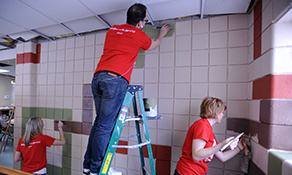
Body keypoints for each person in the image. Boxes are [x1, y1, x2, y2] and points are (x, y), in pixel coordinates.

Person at [83, 3, 171, 175]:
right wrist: (162, 33)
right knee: (105, 126)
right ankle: (98, 169)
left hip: (98, 77)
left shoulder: (113, 29)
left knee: (99, 124)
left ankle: (88, 165)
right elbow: (153, 45)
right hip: (115, 81)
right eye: (145, 20)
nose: (145, 23)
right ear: (140, 22)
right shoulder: (139, 34)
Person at [174, 97, 246, 175]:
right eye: (222, 112)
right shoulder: (202, 125)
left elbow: (222, 157)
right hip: (187, 172)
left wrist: (239, 148)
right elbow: (196, 156)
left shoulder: (209, 131)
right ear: (216, 112)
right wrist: (221, 144)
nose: (222, 115)